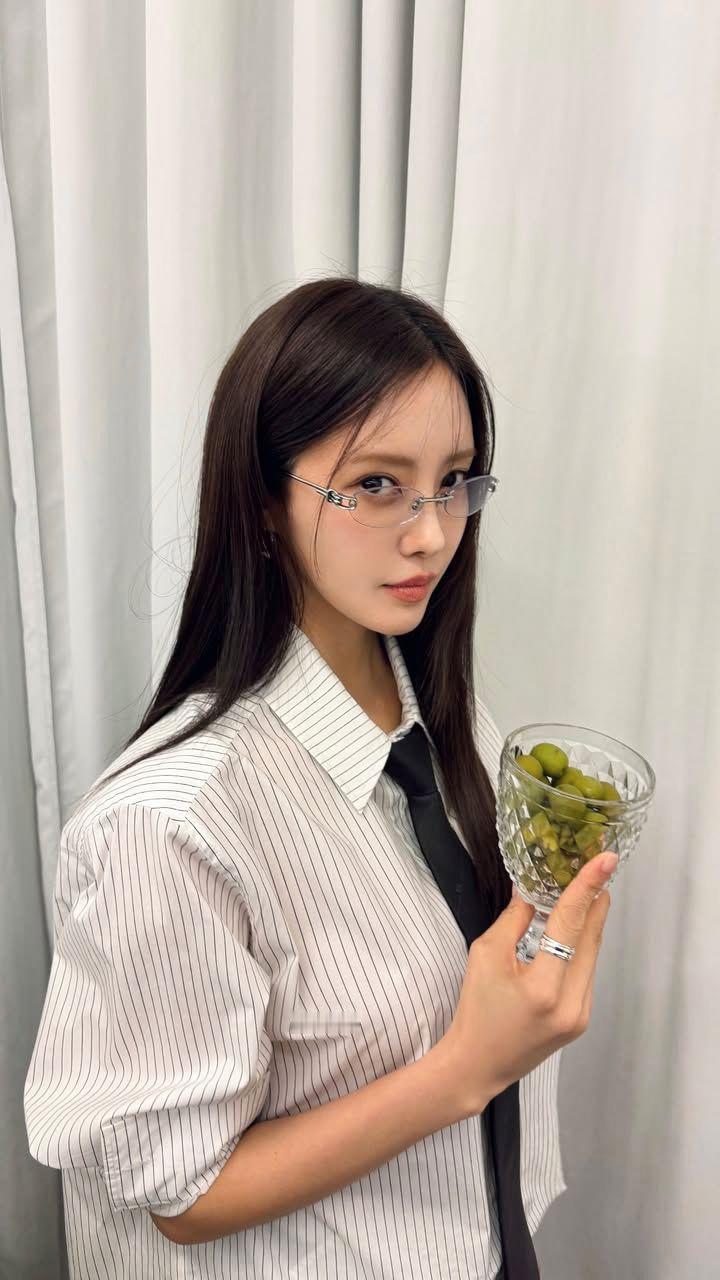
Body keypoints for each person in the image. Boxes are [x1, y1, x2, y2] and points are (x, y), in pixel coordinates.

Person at [23, 276, 614, 1279]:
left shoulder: (455, 727)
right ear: (264, 496)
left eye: (454, 480)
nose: (431, 532)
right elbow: (181, 1196)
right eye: (377, 484)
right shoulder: (171, 826)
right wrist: (464, 1071)